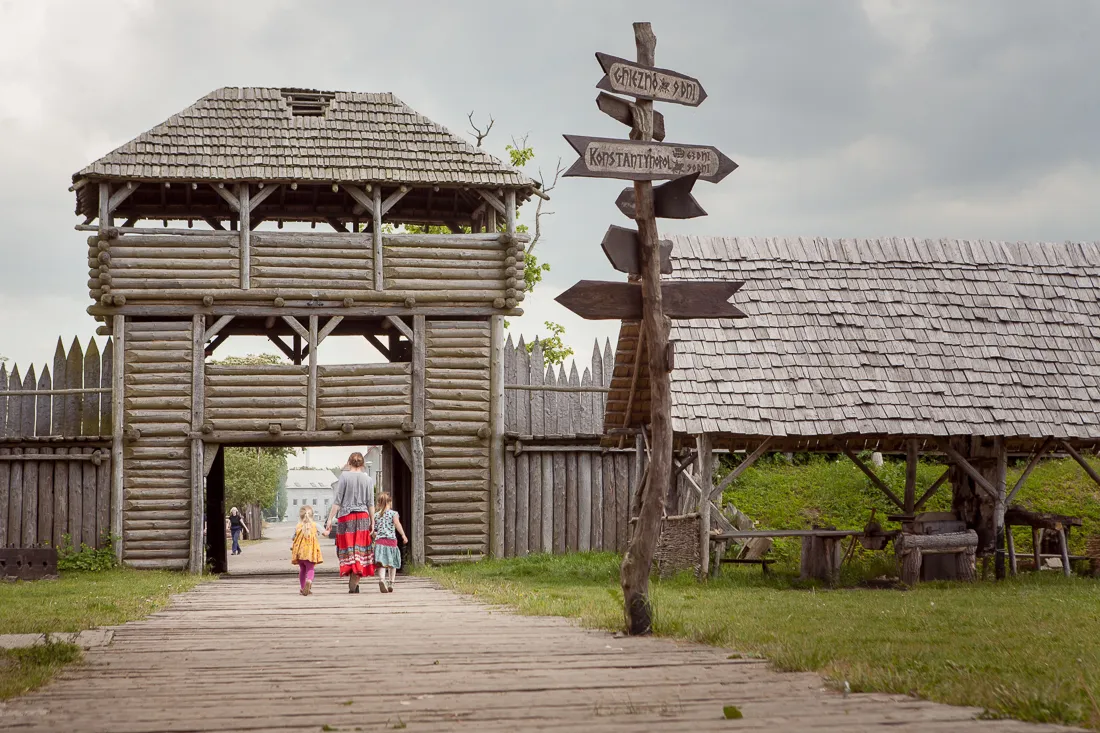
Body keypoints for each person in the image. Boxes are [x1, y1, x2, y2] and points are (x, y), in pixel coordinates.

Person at [324, 452, 375, 593]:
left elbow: (337, 501)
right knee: (361, 549)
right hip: (363, 517)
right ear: (363, 464)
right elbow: (371, 503)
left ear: (348, 462)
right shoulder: (368, 480)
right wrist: (373, 521)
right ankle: (356, 578)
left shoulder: (344, 477)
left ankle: (352, 572)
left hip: (346, 518)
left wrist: (329, 519)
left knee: (346, 548)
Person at [372, 492, 407, 593]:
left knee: (381, 563)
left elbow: (374, 531)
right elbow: (397, 524)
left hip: (380, 541)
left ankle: (382, 579)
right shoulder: (393, 514)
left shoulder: (376, 516)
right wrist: (403, 535)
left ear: (379, 504)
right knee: (392, 563)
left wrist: (374, 536)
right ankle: (391, 582)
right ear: (390, 502)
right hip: (391, 541)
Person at [290, 505, 323, 596]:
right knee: (310, 569)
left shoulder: (298, 526)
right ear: (312, 515)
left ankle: (302, 587)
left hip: (300, 553)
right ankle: (309, 581)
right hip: (310, 553)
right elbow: (325, 533)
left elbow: (292, 538)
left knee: (302, 570)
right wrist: (328, 530)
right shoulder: (315, 525)